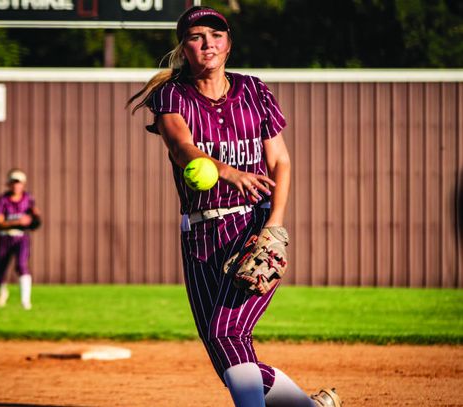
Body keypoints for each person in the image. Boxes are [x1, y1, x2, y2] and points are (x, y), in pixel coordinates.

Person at [128, 6, 341, 407]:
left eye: (216, 34)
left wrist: (275, 225)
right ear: (184, 47)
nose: (207, 43)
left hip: (251, 228)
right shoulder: (172, 95)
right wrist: (228, 172)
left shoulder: (255, 90)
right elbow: (181, 148)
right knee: (227, 355)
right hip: (200, 235)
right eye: (196, 36)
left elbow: (281, 161)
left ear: (228, 44)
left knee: (228, 335)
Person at [0, 168, 40, 310]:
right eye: (13, 182)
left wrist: (33, 220)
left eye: (18, 183)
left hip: (21, 238)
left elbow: (36, 218)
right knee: (0, 271)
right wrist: (16, 222)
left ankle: (25, 301)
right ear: (9, 184)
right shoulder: (3, 200)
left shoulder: (28, 199)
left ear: (23, 184)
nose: (16, 186)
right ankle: (2, 292)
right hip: (5, 237)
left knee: (22, 265)